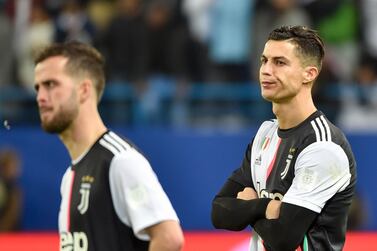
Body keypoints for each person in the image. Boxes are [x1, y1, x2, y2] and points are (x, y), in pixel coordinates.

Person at [211, 25, 356, 251]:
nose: (266, 70)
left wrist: (249, 205)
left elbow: (282, 239)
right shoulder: (265, 133)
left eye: (280, 62)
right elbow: (219, 211)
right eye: (264, 60)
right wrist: (265, 207)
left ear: (309, 74)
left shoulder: (322, 145)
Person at [33, 41, 184, 251]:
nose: (40, 97)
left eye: (51, 84)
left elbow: (169, 238)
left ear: (84, 90)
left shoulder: (120, 161)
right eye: (37, 87)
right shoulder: (70, 176)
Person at [0, 148, 22, 231]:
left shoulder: (14, 189)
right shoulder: (7, 188)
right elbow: (10, 216)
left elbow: (13, 216)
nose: (16, 169)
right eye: (12, 165)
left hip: (12, 236)